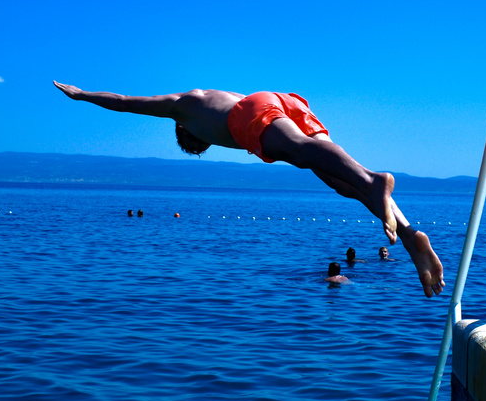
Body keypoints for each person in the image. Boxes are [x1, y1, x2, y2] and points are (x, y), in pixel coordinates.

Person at [53, 82, 444, 298]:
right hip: (282, 100)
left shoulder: (180, 105)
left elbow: (124, 102)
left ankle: (375, 181)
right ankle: (408, 233)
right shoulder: (210, 99)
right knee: (334, 177)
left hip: (253, 114)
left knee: (307, 154)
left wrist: (82, 95)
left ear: (182, 128)